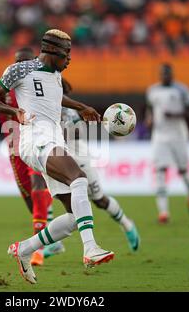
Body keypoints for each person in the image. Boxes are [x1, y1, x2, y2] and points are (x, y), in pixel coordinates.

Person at [0, 29, 114, 284]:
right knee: (79, 178)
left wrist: (82, 107)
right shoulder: (19, 70)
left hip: (53, 139)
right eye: (67, 53)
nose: (70, 59)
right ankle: (90, 249)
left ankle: (24, 250)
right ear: (53, 51)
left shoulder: (54, 76)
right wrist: (14, 111)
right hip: (35, 139)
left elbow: (56, 98)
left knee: (75, 216)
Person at [0, 47, 62, 266]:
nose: (20, 67)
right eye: (17, 62)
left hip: (35, 141)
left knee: (37, 186)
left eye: (24, 62)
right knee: (31, 200)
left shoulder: (37, 84)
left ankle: (38, 250)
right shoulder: (4, 86)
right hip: (14, 148)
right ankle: (51, 238)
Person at [58, 79, 140, 252]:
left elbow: (75, 132)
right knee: (65, 202)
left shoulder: (71, 109)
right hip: (60, 160)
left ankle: (127, 224)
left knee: (99, 200)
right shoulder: (47, 106)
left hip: (80, 160)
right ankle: (53, 244)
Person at [144, 63, 189, 224]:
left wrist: (176, 114)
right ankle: (163, 212)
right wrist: (149, 119)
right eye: (162, 74)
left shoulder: (182, 90)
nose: (165, 76)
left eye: (167, 74)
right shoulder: (152, 90)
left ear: (172, 75)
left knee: (183, 171)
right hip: (160, 136)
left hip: (178, 135)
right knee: (160, 171)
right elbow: (149, 108)